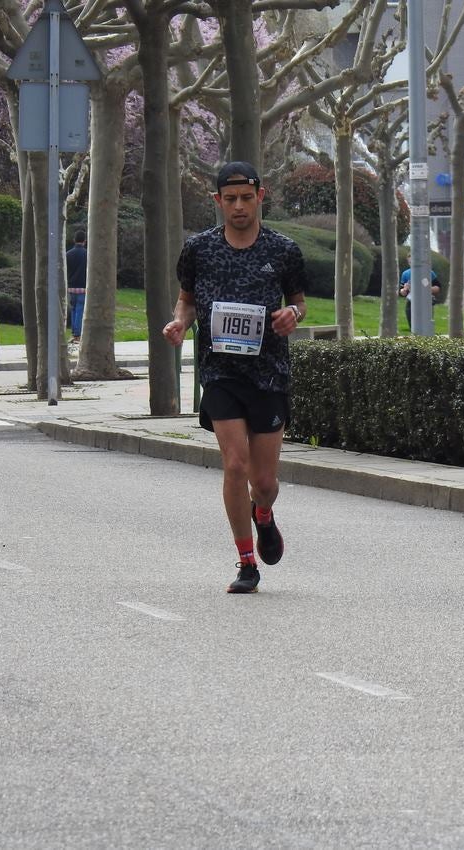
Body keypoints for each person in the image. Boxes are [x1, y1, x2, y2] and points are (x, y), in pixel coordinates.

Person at [162, 161, 308, 594]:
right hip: (220, 372)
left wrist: (291, 315)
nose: (239, 207)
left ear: (260, 197)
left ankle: (263, 513)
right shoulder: (199, 249)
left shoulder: (283, 250)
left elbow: (299, 303)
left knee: (264, 483)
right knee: (235, 464)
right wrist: (180, 323)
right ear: (217, 202)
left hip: (268, 374)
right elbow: (185, 301)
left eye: (246, 198)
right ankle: (246, 562)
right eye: (230, 200)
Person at [399, 266, 441, 330]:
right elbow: (402, 292)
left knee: (426, 327)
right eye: (410, 261)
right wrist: (405, 289)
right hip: (411, 302)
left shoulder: (428, 273)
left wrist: (424, 287)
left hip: (425, 302)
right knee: (413, 328)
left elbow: (437, 288)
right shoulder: (406, 273)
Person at [66, 230, 88, 345]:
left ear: (74, 240)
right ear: (84, 241)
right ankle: (77, 335)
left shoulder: (68, 254)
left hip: (71, 287)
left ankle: (74, 332)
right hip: (83, 287)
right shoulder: (87, 254)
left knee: (74, 309)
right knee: (80, 309)